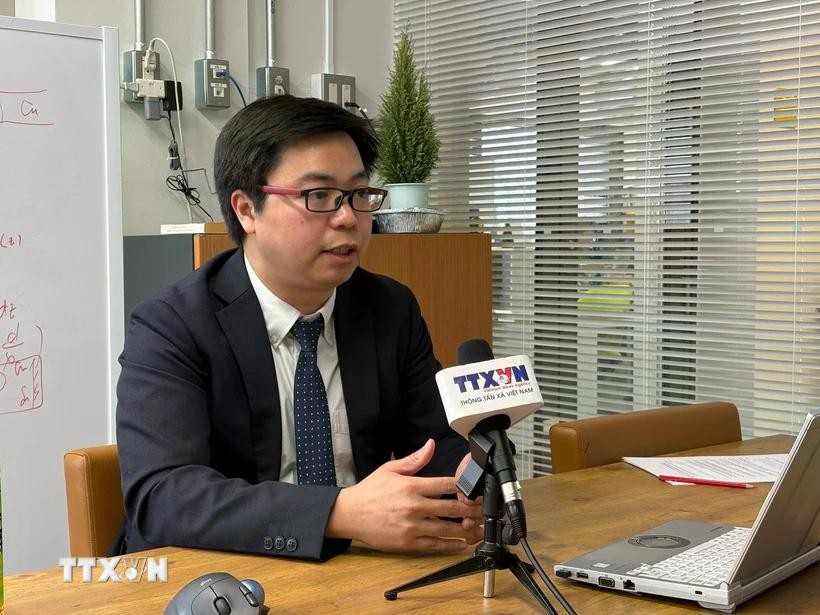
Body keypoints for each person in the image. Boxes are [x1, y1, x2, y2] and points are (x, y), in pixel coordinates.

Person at [114, 95, 483, 561]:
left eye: (358, 194)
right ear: (247, 209)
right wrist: (338, 512)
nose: (348, 217)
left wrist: (473, 481)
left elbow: (437, 439)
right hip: (221, 576)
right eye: (319, 196)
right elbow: (164, 497)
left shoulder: (389, 307)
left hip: (363, 569)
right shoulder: (173, 325)